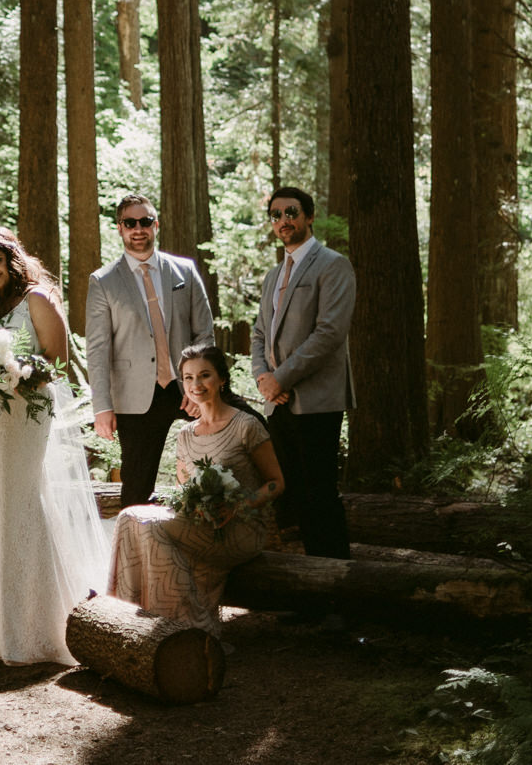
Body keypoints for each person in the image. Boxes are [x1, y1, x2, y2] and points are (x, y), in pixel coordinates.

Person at [0, 227, 108, 666]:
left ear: (12, 259)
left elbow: (56, 359)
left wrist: (18, 376)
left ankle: (42, 624)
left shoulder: (37, 298)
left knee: (24, 503)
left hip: (26, 415)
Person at [109, 344, 284, 635]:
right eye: (188, 378)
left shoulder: (246, 425)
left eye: (204, 376)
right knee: (129, 518)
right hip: (199, 524)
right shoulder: (185, 434)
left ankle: (186, 629)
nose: (195, 385)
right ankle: (126, 619)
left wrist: (239, 505)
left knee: (151, 527)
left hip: (241, 527)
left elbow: (277, 482)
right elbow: (182, 491)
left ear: (221, 380)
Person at [84, 193, 216, 507]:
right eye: (130, 223)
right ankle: (132, 552)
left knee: (214, 468)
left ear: (156, 224)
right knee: (137, 486)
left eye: (145, 221)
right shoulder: (103, 281)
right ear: (120, 228)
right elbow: (98, 349)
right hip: (135, 396)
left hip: (187, 389)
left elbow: (204, 332)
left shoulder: (184, 271)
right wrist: (102, 407)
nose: (138, 229)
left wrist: (201, 387)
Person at [250, 185, 353, 559]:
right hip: (277, 402)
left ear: (309, 217)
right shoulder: (273, 275)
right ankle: (305, 588)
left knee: (320, 493)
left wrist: (282, 378)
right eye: (276, 215)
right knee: (289, 493)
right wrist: (263, 379)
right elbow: (260, 332)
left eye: (291, 212)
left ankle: (336, 593)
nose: (283, 221)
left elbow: (329, 333)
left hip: (317, 400)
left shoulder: (333, 265)